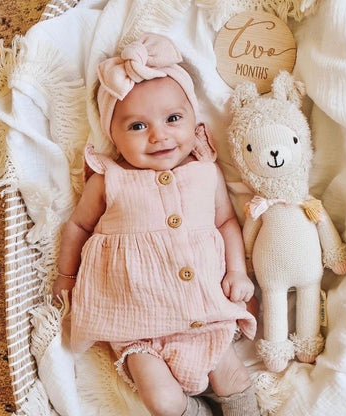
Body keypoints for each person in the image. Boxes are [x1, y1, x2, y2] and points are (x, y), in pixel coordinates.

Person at [53, 33, 260, 416]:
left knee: (233, 378)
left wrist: (237, 270)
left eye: (173, 119)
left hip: (205, 311)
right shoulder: (108, 179)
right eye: (137, 126)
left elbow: (228, 221)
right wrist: (66, 277)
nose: (159, 134)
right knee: (162, 403)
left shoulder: (204, 173)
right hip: (137, 324)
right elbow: (78, 227)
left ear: (194, 120)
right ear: (112, 134)